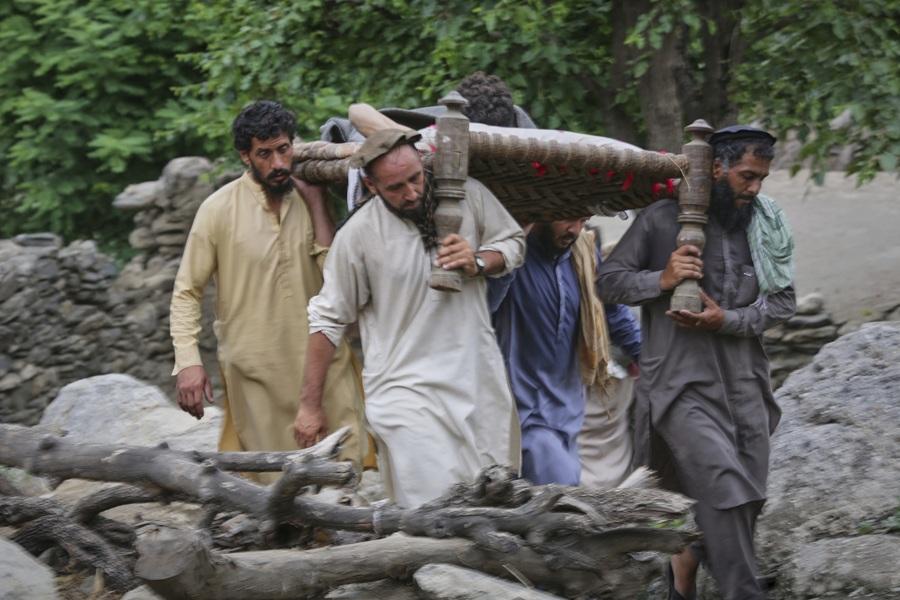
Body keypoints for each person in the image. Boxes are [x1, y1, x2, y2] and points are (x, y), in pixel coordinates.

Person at [597, 125, 795, 600]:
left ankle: (681, 585)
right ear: (717, 168)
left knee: (747, 497)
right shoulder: (661, 219)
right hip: (680, 385)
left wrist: (727, 319)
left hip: (747, 386)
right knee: (726, 489)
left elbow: (782, 303)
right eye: (747, 176)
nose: (755, 189)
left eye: (761, 179)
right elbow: (609, 282)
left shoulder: (765, 225)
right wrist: (662, 279)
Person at [295, 129, 525, 507]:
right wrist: (309, 405)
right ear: (371, 186)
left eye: (416, 178)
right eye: (396, 187)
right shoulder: (358, 235)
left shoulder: (468, 195)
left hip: (476, 381)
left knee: (492, 501)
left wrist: (478, 261)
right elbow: (327, 318)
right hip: (404, 392)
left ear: (423, 162)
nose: (412, 193)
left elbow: (513, 243)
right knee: (435, 508)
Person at [170, 100, 367, 483]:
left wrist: (317, 205)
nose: (278, 163)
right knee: (276, 484)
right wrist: (188, 361)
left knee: (344, 472)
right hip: (256, 375)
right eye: (265, 154)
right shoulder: (217, 210)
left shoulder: (313, 197)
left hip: (325, 365)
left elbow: (337, 282)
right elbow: (187, 291)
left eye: (283, 149)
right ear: (245, 156)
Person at [489, 218, 641, 486]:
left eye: (582, 219)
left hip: (568, 415)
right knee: (562, 493)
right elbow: (484, 307)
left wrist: (653, 360)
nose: (575, 229)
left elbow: (614, 314)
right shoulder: (512, 255)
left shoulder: (583, 253)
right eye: (568, 218)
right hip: (522, 414)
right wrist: (511, 250)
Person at [578, 224, 642, 489]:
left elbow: (616, 316)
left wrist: (642, 355)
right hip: (578, 374)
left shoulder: (591, 264)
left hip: (607, 375)